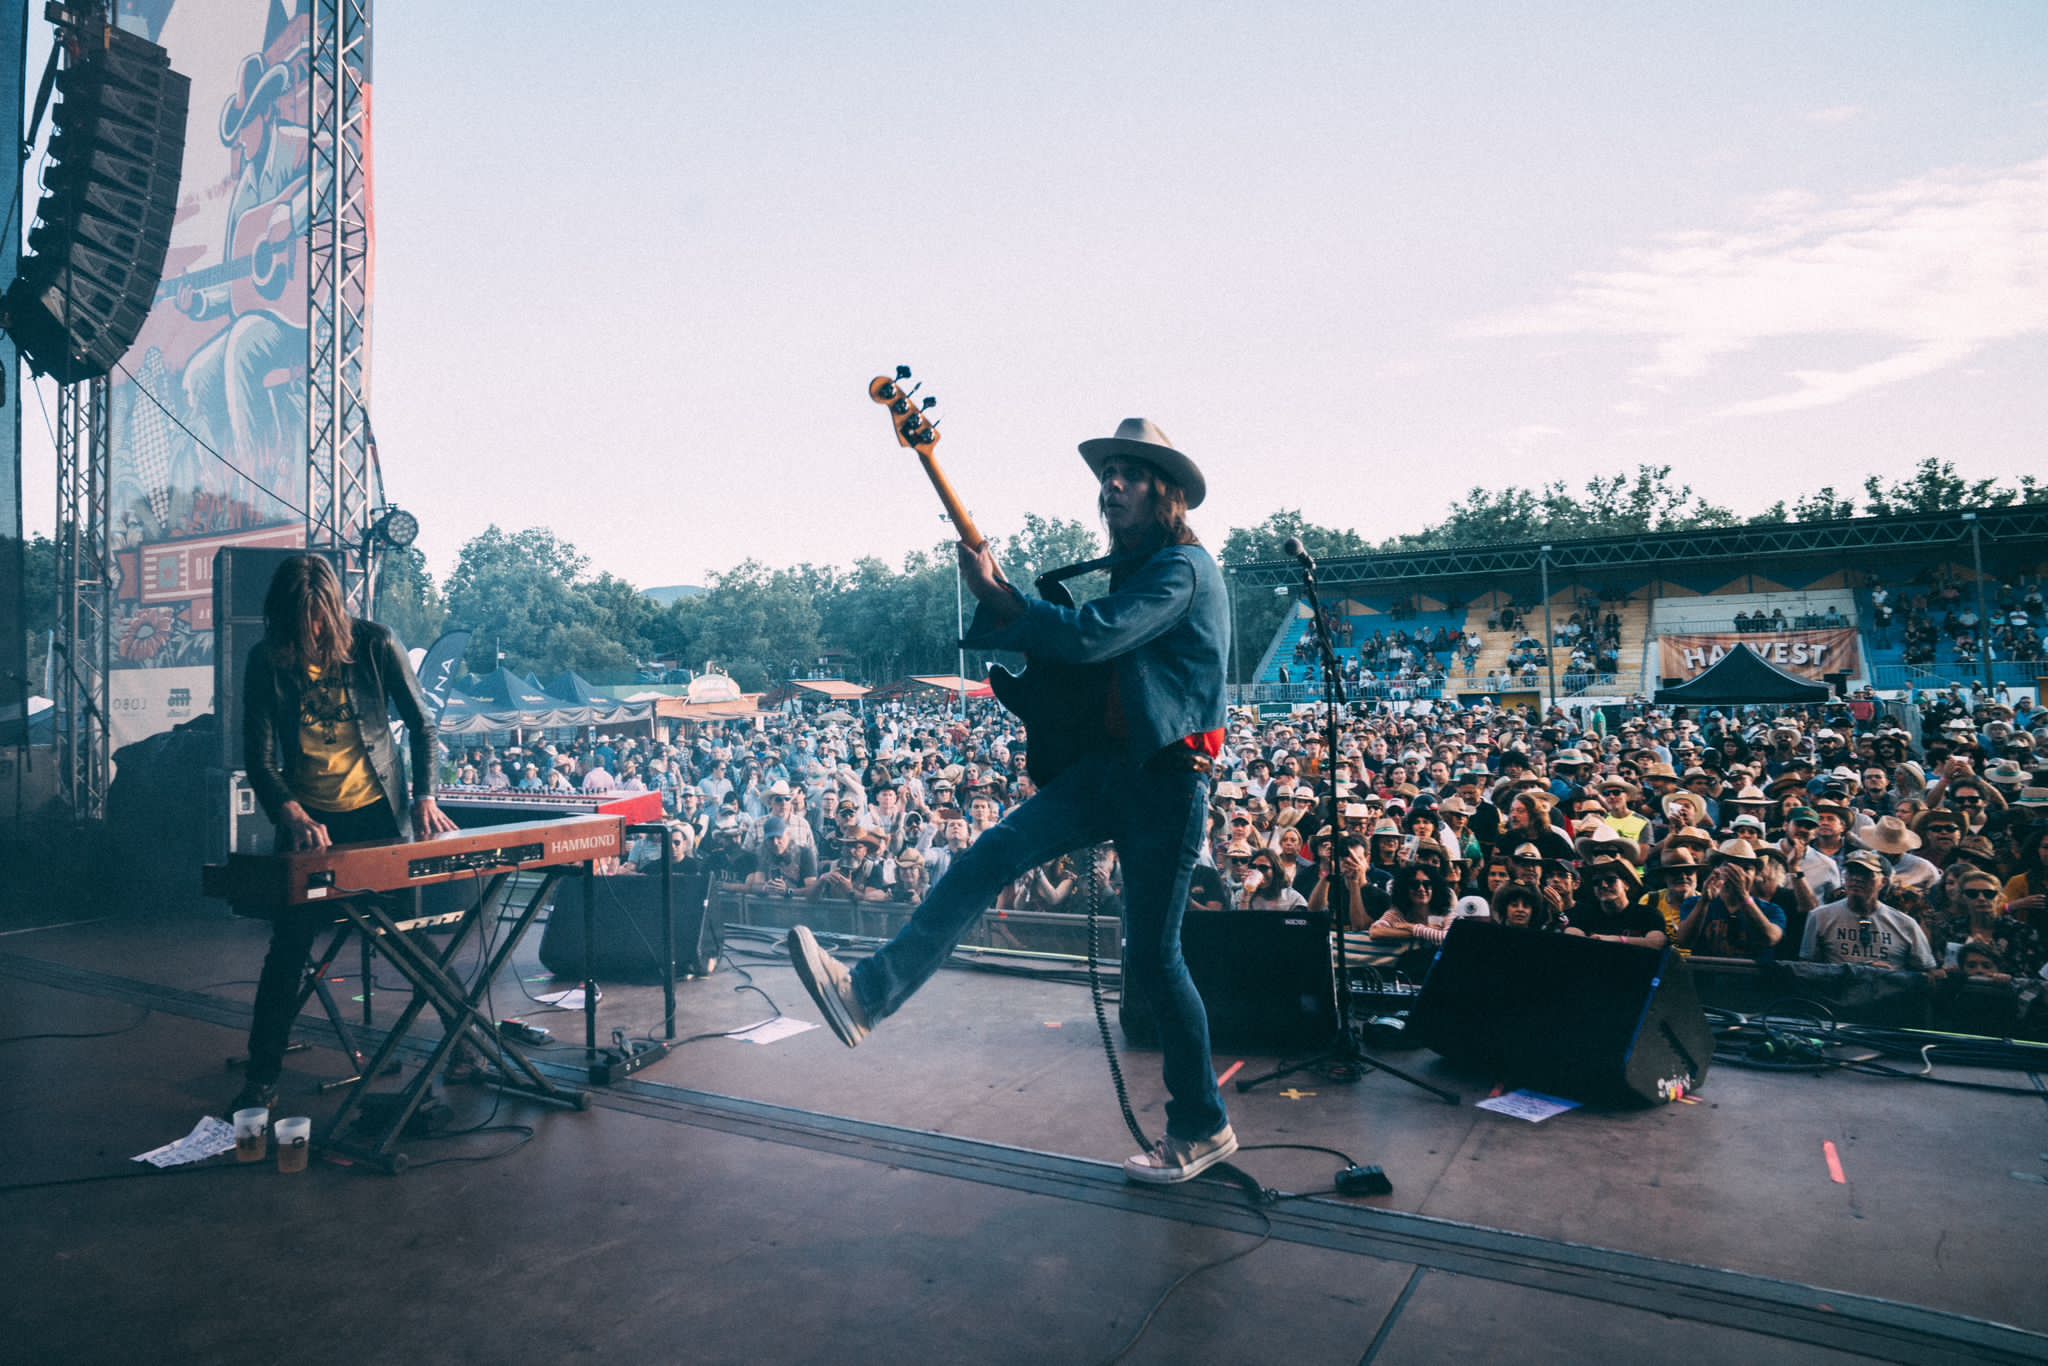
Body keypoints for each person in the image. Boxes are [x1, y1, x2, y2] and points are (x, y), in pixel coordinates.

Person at [785, 418, 1238, 1184]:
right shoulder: (1140, 569)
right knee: (994, 850)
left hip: (1164, 781)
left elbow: (1093, 638)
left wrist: (1001, 594)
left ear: (1165, 490)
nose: (1112, 484)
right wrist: (995, 592)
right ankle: (868, 994)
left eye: (1131, 472)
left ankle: (1201, 1126)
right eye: (1108, 472)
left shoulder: (1183, 571)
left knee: (1156, 959)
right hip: (1109, 770)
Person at [229, 554, 457, 1115]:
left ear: (333, 611)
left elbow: (422, 724)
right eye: (296, 621)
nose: (308, 632)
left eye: (316, 619)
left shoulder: (375, 645)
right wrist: (287, 810)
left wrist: (425, 796)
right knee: (287, 951)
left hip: (377, 816)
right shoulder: (266, 660)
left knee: (405, 933)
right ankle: (262, 1076)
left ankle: (467, 1037)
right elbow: (257, 758)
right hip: (310, 826)